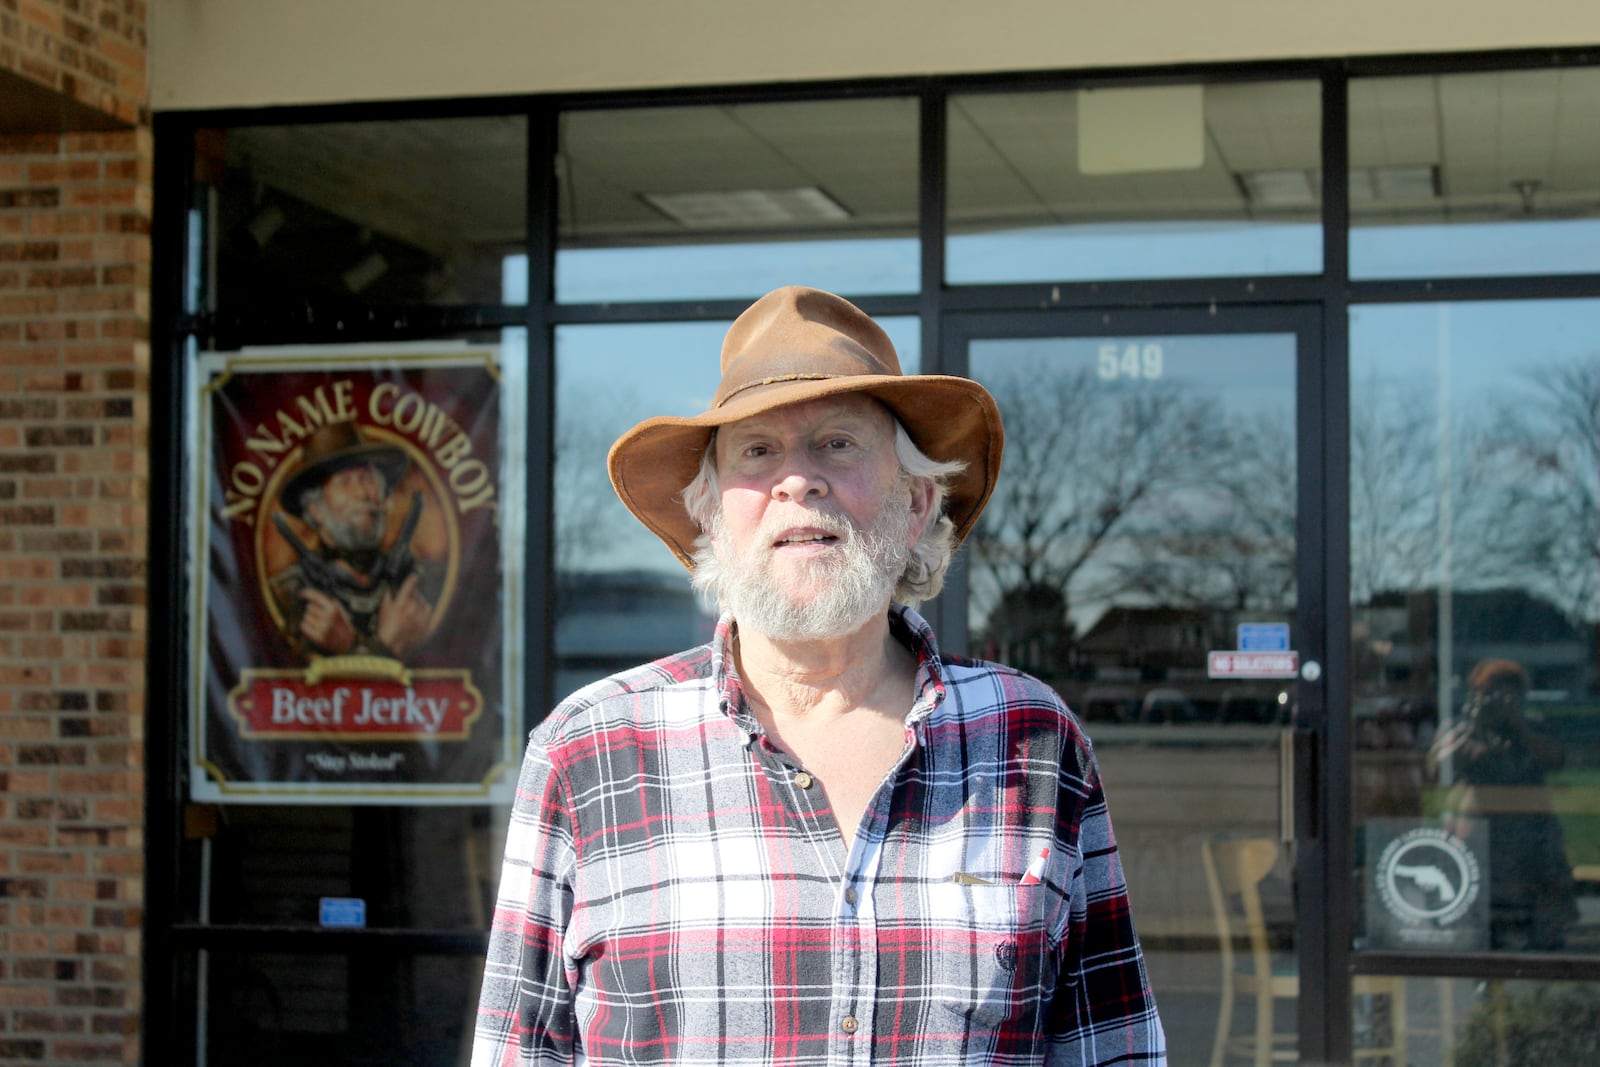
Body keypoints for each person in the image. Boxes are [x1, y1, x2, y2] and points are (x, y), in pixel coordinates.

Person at [472, 286, 1165, 1065]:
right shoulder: (590, 750)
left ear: (916, 503)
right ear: (708, 513)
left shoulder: (1031, 741)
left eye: (837, 443)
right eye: (757, 451)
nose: (796, 481)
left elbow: (1115, 1047)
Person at [1430, 658, 1578, 950]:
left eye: (1507, 695)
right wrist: (1473, 728)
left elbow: (1555, 759)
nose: (1498, 703)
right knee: (1477, 925)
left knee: (1543, 926)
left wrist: (1518, 725)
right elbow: (1437, 768)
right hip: (1474, 834)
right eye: (1490, 695)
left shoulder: (1535, 726)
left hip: (1531, 835)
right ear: (1476, 695)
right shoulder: (1460, 729)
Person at [268, 418, 436, 662]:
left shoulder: (421, 583)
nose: (361, 493)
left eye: (367, 479)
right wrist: (365, 647)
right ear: (315, 509)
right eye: (344, 482)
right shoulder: (286, 596)